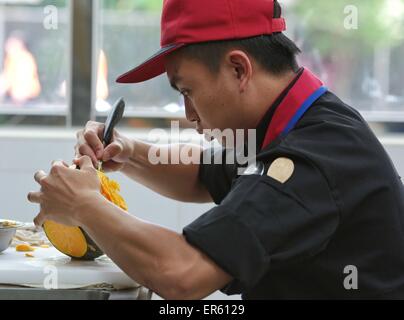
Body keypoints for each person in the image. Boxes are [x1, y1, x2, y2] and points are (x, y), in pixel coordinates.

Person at [28, 0, 404, 299]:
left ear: (239, 69)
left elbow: (183, 274)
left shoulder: (311, 158)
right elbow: (204, 174)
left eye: (188, 92)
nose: (189, 115)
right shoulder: (294, 119)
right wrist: (127, 152)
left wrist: (85, 205)